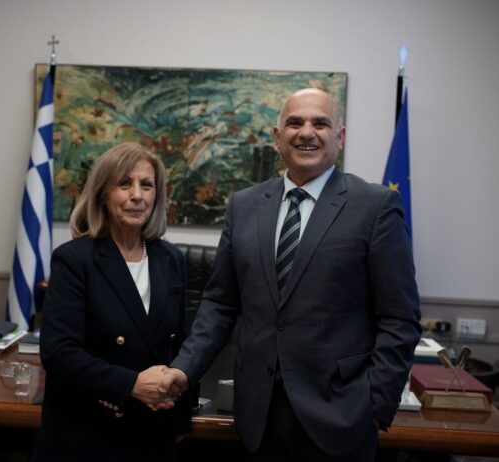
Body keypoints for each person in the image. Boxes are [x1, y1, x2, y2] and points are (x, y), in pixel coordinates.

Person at [157, 88, 421, 461]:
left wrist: (375, 404)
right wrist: (184, 369)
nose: (306, 132)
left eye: (320, 123)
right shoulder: (244, 205)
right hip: (256, 417)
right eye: (295, 123)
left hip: (340, 417)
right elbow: (219, 304)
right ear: (277, 137)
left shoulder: (375, 207)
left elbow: (400, 319)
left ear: (340, 136)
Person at [32, 142, 191, 462]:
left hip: (153, 433)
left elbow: (183, 345)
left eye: (147, 185)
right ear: (103, 193)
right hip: (88, 435)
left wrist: (181, 419)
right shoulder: (74, 259)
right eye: (124, 184)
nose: (137, 195)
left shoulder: (171, 259)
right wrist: (132, 384)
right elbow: (58, 352)